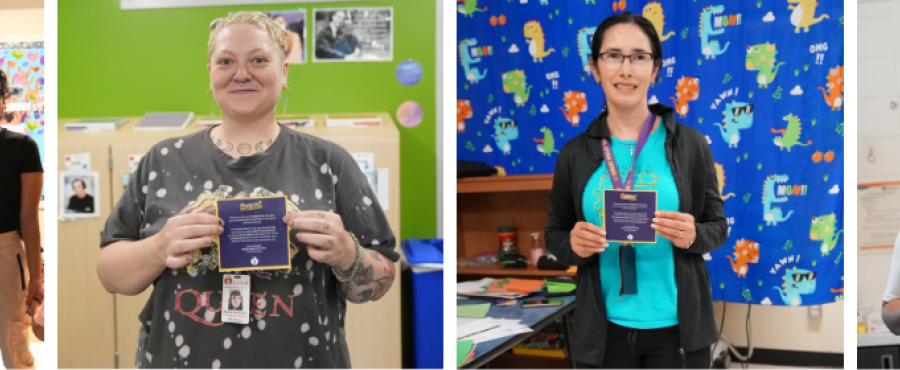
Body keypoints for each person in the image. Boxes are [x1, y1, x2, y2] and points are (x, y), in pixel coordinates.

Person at [95, 12, 397, 368]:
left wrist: (348, 253)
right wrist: (159, 248)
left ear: (284, 73)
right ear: (210, 75)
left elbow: (381, 278)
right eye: (226, 61)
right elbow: (110, 274)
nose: (241, 73)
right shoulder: (163, 160)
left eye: (258, 59)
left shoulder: (329, 162)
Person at [544, 13, 726, 368]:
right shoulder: (573, 154)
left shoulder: (689, 145)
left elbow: (717, 227)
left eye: (639, 57)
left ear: (655, 68)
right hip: (603, 333)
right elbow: (555, 234)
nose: (625, 69)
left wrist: (693, 235)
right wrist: (573, 245)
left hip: (680, 332)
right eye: (612, 55)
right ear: (595, 68)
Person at [0, 68, 43, 369]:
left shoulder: (22, 147)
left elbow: (29, 217)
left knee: (12, 340)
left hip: (5, 250)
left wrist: (37, 277)